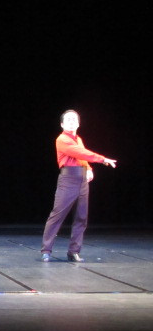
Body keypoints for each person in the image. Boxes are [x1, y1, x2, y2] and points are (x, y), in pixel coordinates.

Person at [41, 110, 117, 262]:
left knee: (81, 217)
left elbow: (81, 156)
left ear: (78, 123)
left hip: (81, 179)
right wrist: (102, 159)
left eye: (74, 119)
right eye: (68, 119)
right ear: (62, 124)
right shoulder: (62, 139)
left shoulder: (78, 139)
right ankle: (46, 250)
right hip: (68, 178)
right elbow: (79, 153)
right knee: (57, 215)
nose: (72, 121)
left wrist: (88, 169)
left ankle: (74, 251)